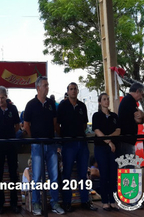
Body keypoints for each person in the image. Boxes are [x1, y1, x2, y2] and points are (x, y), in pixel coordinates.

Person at [24, 76, 65, 215]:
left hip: (51, 144)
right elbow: (26, 125)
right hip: (37, 145)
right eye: (45, 85)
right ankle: (36, 203)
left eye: (48, 85)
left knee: (53, 176)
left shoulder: (51, 104)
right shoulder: (30, 104)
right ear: (38, 88)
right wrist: (34, 139)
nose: (47, 87)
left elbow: (55, 123)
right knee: (37, 176)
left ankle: (54, 203)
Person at [57, 82, 97, 212]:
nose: (73, 91)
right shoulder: (63, 106)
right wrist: (64, 137)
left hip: (82, 143)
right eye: (71, 89)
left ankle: (85, 201)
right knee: (67, 173)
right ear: (67, 91)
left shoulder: (82, 106)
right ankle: (67, 202)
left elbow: (85, 125)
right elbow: (57, 124)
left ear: (78, 91)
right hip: (68, 144)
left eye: (75, 89)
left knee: (83, 174)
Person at [0, 86, 21, 214]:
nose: (0, 100)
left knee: (14, 174)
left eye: (2, 98)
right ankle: (0, 203)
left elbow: (18, 125)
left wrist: (10, 136)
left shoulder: (13, 108)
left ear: (6, 97)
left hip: (11, 145)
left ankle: (14, 203)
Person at [92, 93, 120, 211]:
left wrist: (109, 137)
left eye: (108, 99)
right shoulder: (96, 115)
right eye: (104, 99)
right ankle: (104, 201)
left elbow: (118, 130)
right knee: (104, 173)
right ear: (100, 102)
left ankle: (113, 200)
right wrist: (108, 141)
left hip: (113, 148)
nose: (107, 101)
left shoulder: (114, 116)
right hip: (101, 147)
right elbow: (97, 130)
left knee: (113, 174)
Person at [117, 83, 144, 161]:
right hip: (127, 139)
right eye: (141, 94)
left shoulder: (128, 100)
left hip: (128, 139)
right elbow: (138, 117)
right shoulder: (129, 101)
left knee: (128, 165)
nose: (141, 97)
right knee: (128, 165)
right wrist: (141, 116)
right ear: (137, 91)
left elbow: (140, 118)